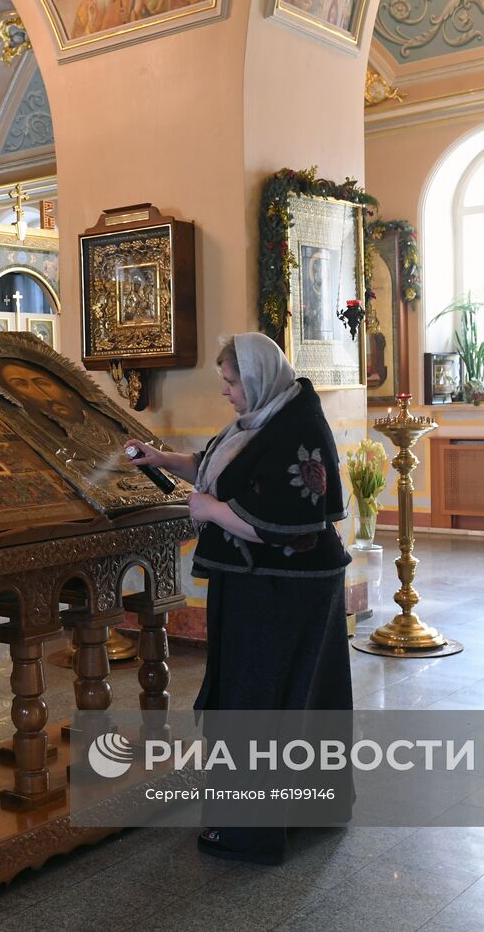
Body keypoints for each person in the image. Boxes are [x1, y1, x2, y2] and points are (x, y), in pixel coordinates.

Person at [126, 332, 353, 865]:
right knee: (291, 700)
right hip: (270, 586)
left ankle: (247, 832)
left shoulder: (296, 427)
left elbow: (284, 518)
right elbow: (217, 466)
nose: (226, 392)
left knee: (261, 703)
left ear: (255, 380)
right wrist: (161, 457)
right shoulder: (268, 417)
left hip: (280, 593)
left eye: (231, 382)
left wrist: (206, 510)